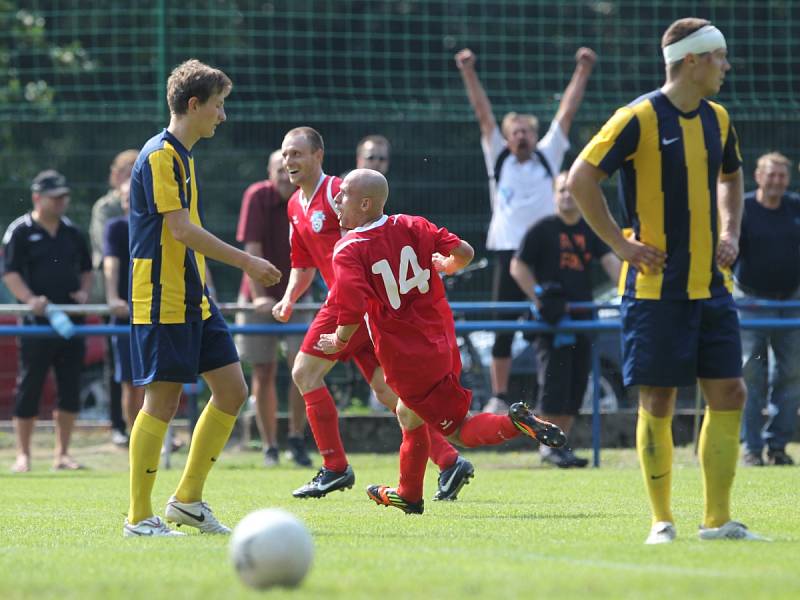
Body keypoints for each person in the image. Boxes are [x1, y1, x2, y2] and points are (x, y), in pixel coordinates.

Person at [568, 18, 768, 543]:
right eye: (720, 57)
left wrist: (731, 228)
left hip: (712, 286)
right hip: (654, 292)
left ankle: (718, 521)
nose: (726, 67)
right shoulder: (636, 118)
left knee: (730, 392)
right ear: (693, 61)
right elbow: (581, 178)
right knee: (657, 400)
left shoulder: (719, 119)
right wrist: (620, 244)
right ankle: (662, 521)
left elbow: (732, 175)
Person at [316, 169, 566, 514]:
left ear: (365, 203)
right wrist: (447, 265)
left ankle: (515, 423)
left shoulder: (348, 248)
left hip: (408, 357)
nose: (337, 200)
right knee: (409, 414)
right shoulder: (411, 223)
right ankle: (409, 493)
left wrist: (338, 339)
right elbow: (464, 251)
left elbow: (351, 306)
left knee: (460, 431)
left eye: (343, 194)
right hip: (443, 341)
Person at [124, 59, 281, 537]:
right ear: (194, 105)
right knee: (163, 402)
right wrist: (248, 264)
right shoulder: (159, 156)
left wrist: (210, 286)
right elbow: (181, 230)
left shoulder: (184, 156)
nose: (223, 115)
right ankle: (138, 518)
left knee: (233, 391)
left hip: (195, 297)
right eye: (218, 105)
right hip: (161, 297)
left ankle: (187, 501)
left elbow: (184, 237)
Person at [273, 127, 474, 501]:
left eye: (297, 154)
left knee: (304, 372)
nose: (290, 162)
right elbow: (303, 264)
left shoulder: (339, 191)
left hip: (350, 304)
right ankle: (449, 461)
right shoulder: (294, 206)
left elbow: (380, 229)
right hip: (366, 310)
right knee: (388, 393)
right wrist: (288, 299)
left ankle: (335, 467)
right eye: (285, 155)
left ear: (319, 155)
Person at [454, 45, 597, 415]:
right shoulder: (498, 156)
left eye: (526, 132)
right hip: (507, 251)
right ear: (506, 136)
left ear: (535, 136)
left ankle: (549, 395)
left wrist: (582, 71)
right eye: (514, 131)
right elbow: (483, 115)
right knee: (503, 324)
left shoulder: (547, 157)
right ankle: (500, 396)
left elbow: (566, 113)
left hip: (548, 252)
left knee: (552, 323)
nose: (520, 137)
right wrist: (469, 72)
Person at [510, 171, 621, 468]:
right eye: (562, 191)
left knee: (575, 386)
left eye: (572, 191)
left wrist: (629, 292)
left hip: (583, 321)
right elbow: (517, 266)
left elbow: (611, 262)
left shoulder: (589, 230)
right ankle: (547, 447)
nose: (567, 196)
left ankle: (562, 446)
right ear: (554, 195)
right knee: (553, 385)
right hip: (552, 323)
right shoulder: (542, 229)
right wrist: (539, 299)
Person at [2, 169, 93, 473]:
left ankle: (62, 454)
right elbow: (10, 273)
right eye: (55, 198)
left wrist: (83, 292)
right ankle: (23, 455)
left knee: (70, 386)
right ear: (37, 198)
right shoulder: (20, 231)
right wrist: (30, 300)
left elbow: (87, 269)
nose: (61, 202)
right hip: (36, 324)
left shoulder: (73, 232)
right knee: (29, 386)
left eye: (63, 197)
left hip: (70, 323)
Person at [234, 149, 311, 468]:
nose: (284, 175)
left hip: (299, 293)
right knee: (263, 370)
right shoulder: (257, 197)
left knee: (303, 369)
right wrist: (261, 297)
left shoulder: (308, 200)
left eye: (289, 169)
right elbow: (251, 249)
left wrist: (293, 296)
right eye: (278, 169)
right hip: (257, 292)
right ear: (269, 172)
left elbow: (315, 251)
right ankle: (269, 445)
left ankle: (296, 437)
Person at [734, 152, 800, 467]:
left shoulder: (795, 207)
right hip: (750, 301)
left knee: (790, 374)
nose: (776, 181)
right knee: (750, 374)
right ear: (758, 176)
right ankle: (751, 447)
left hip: (790, 301)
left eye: (781, 175)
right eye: (770, 175)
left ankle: (778, 446)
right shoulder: (742, 207)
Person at [90, 149, 139, 446]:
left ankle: (150, 435)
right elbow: (107, 257)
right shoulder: (111, 219)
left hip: (152, 304)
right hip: (123, 304)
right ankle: (126, 431)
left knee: (152, 379)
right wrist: (112, 296)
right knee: (125, 376)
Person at [103, 178, 145, 447]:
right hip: (128, 315)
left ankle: (157, 436)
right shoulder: (116, 227)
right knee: (130, 382)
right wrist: (112, 297)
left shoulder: (159, 223)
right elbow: (111, 264)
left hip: (158, 311)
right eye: (125, 198)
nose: (130, 202)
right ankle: (135, 438)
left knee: (161, 382)